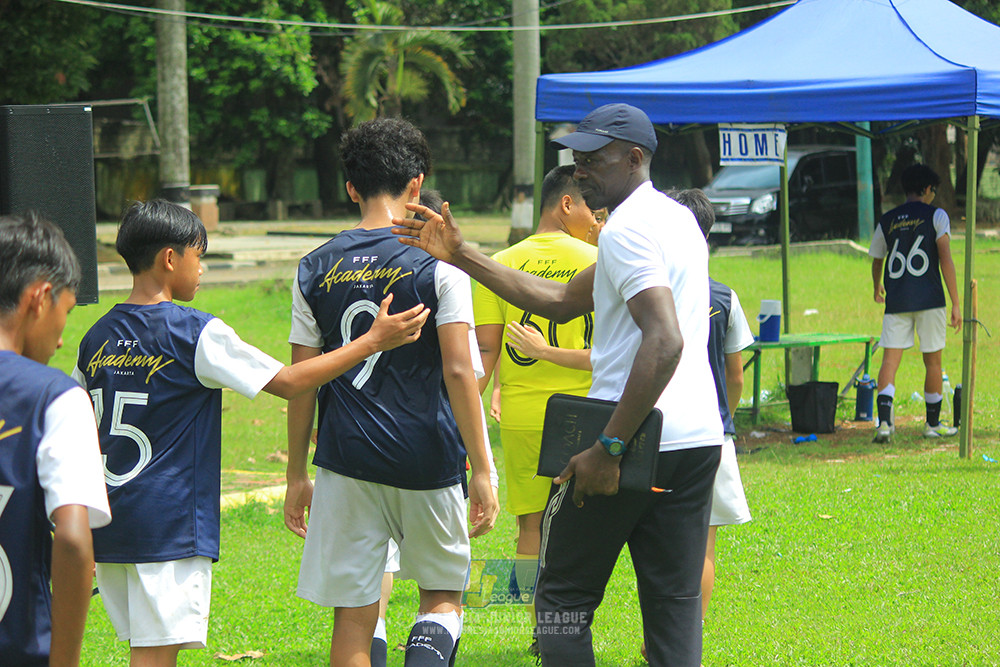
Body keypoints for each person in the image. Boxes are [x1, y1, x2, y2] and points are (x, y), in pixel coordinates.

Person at [394, 103, 723, 667]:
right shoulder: (677, 220)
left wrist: (610, 447)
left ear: (635, 158)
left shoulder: (627, 229)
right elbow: (560, 298)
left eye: (595, 157)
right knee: (673, 604)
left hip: (633, 442)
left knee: (559, 599)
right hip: (695, 443)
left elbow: (664, 340)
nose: (579, 167)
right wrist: (461, 253)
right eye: (578, 155)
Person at [73, 199, 429, 667]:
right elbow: (289, 382)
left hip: (112, 524)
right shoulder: (194, 332)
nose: (201, 269)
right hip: (169, 530)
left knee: (147, 650)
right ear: (169, 258)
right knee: (155, 657)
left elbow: (81, 430)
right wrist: (370, 341)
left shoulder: (95, 337)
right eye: (198, 255)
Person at [284, 117, 498, 667]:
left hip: (344, 459)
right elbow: (458, 373)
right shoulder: (441, 265)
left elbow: (302, 381)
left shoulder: (313, 267)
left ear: (351, 188)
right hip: (426, 456)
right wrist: (482, 467)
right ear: (417, 185)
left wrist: (295, 475)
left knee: (354, 616)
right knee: (442, 598)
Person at [472, 164, 597, 654]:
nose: (594, 218)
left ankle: (541, 634)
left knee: (531, 526)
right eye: (590, 206)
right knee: (582, 526)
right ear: (567, 203)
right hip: (588, 409)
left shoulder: (499, 263)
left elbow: (485, 353)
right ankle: (570, 630)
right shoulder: (601, 257)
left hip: (524, 413)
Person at [0, 213, 111, 667]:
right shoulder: (56, 397)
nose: (63, 340)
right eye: (65, 313)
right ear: (40, 298)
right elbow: (71, 539)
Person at [868, 164, 961, 443]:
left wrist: (877, 285)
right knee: (933, 362)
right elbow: (945, 257)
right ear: (928, 189)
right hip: (930, 298)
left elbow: (876, 259)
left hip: (897, 298)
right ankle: (932, 424)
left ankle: (884, 423)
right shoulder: (937, 216)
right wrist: (956, 302)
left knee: (890, 360)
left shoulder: (888, 219)